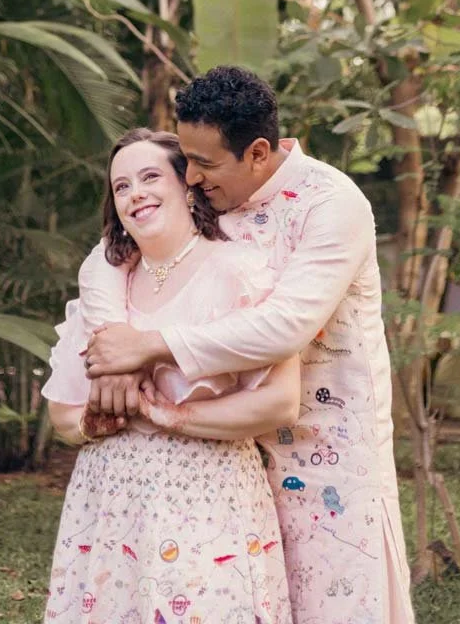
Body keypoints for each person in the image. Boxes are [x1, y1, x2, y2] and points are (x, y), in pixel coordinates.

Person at [78, 67, 414, 624]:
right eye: (185, 160)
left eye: (203, 164)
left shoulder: (330, 204)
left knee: (339, 606)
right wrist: (113, 352)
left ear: (258, 152)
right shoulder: (214, 197)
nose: (187, 178)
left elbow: (286, 324)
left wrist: (147, 345)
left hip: (329, 455)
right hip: (234, 456)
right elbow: (107, 254)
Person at [41, 128, 296, 624]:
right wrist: (96, 421)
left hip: (207, 498)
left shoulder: (239, 272)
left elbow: (279, 404)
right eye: (121, 186)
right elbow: (61, 413)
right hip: (109, 502)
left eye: (150, 176)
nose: (135, 193)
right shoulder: (104, 292)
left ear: (187, 185)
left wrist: (165, 413)